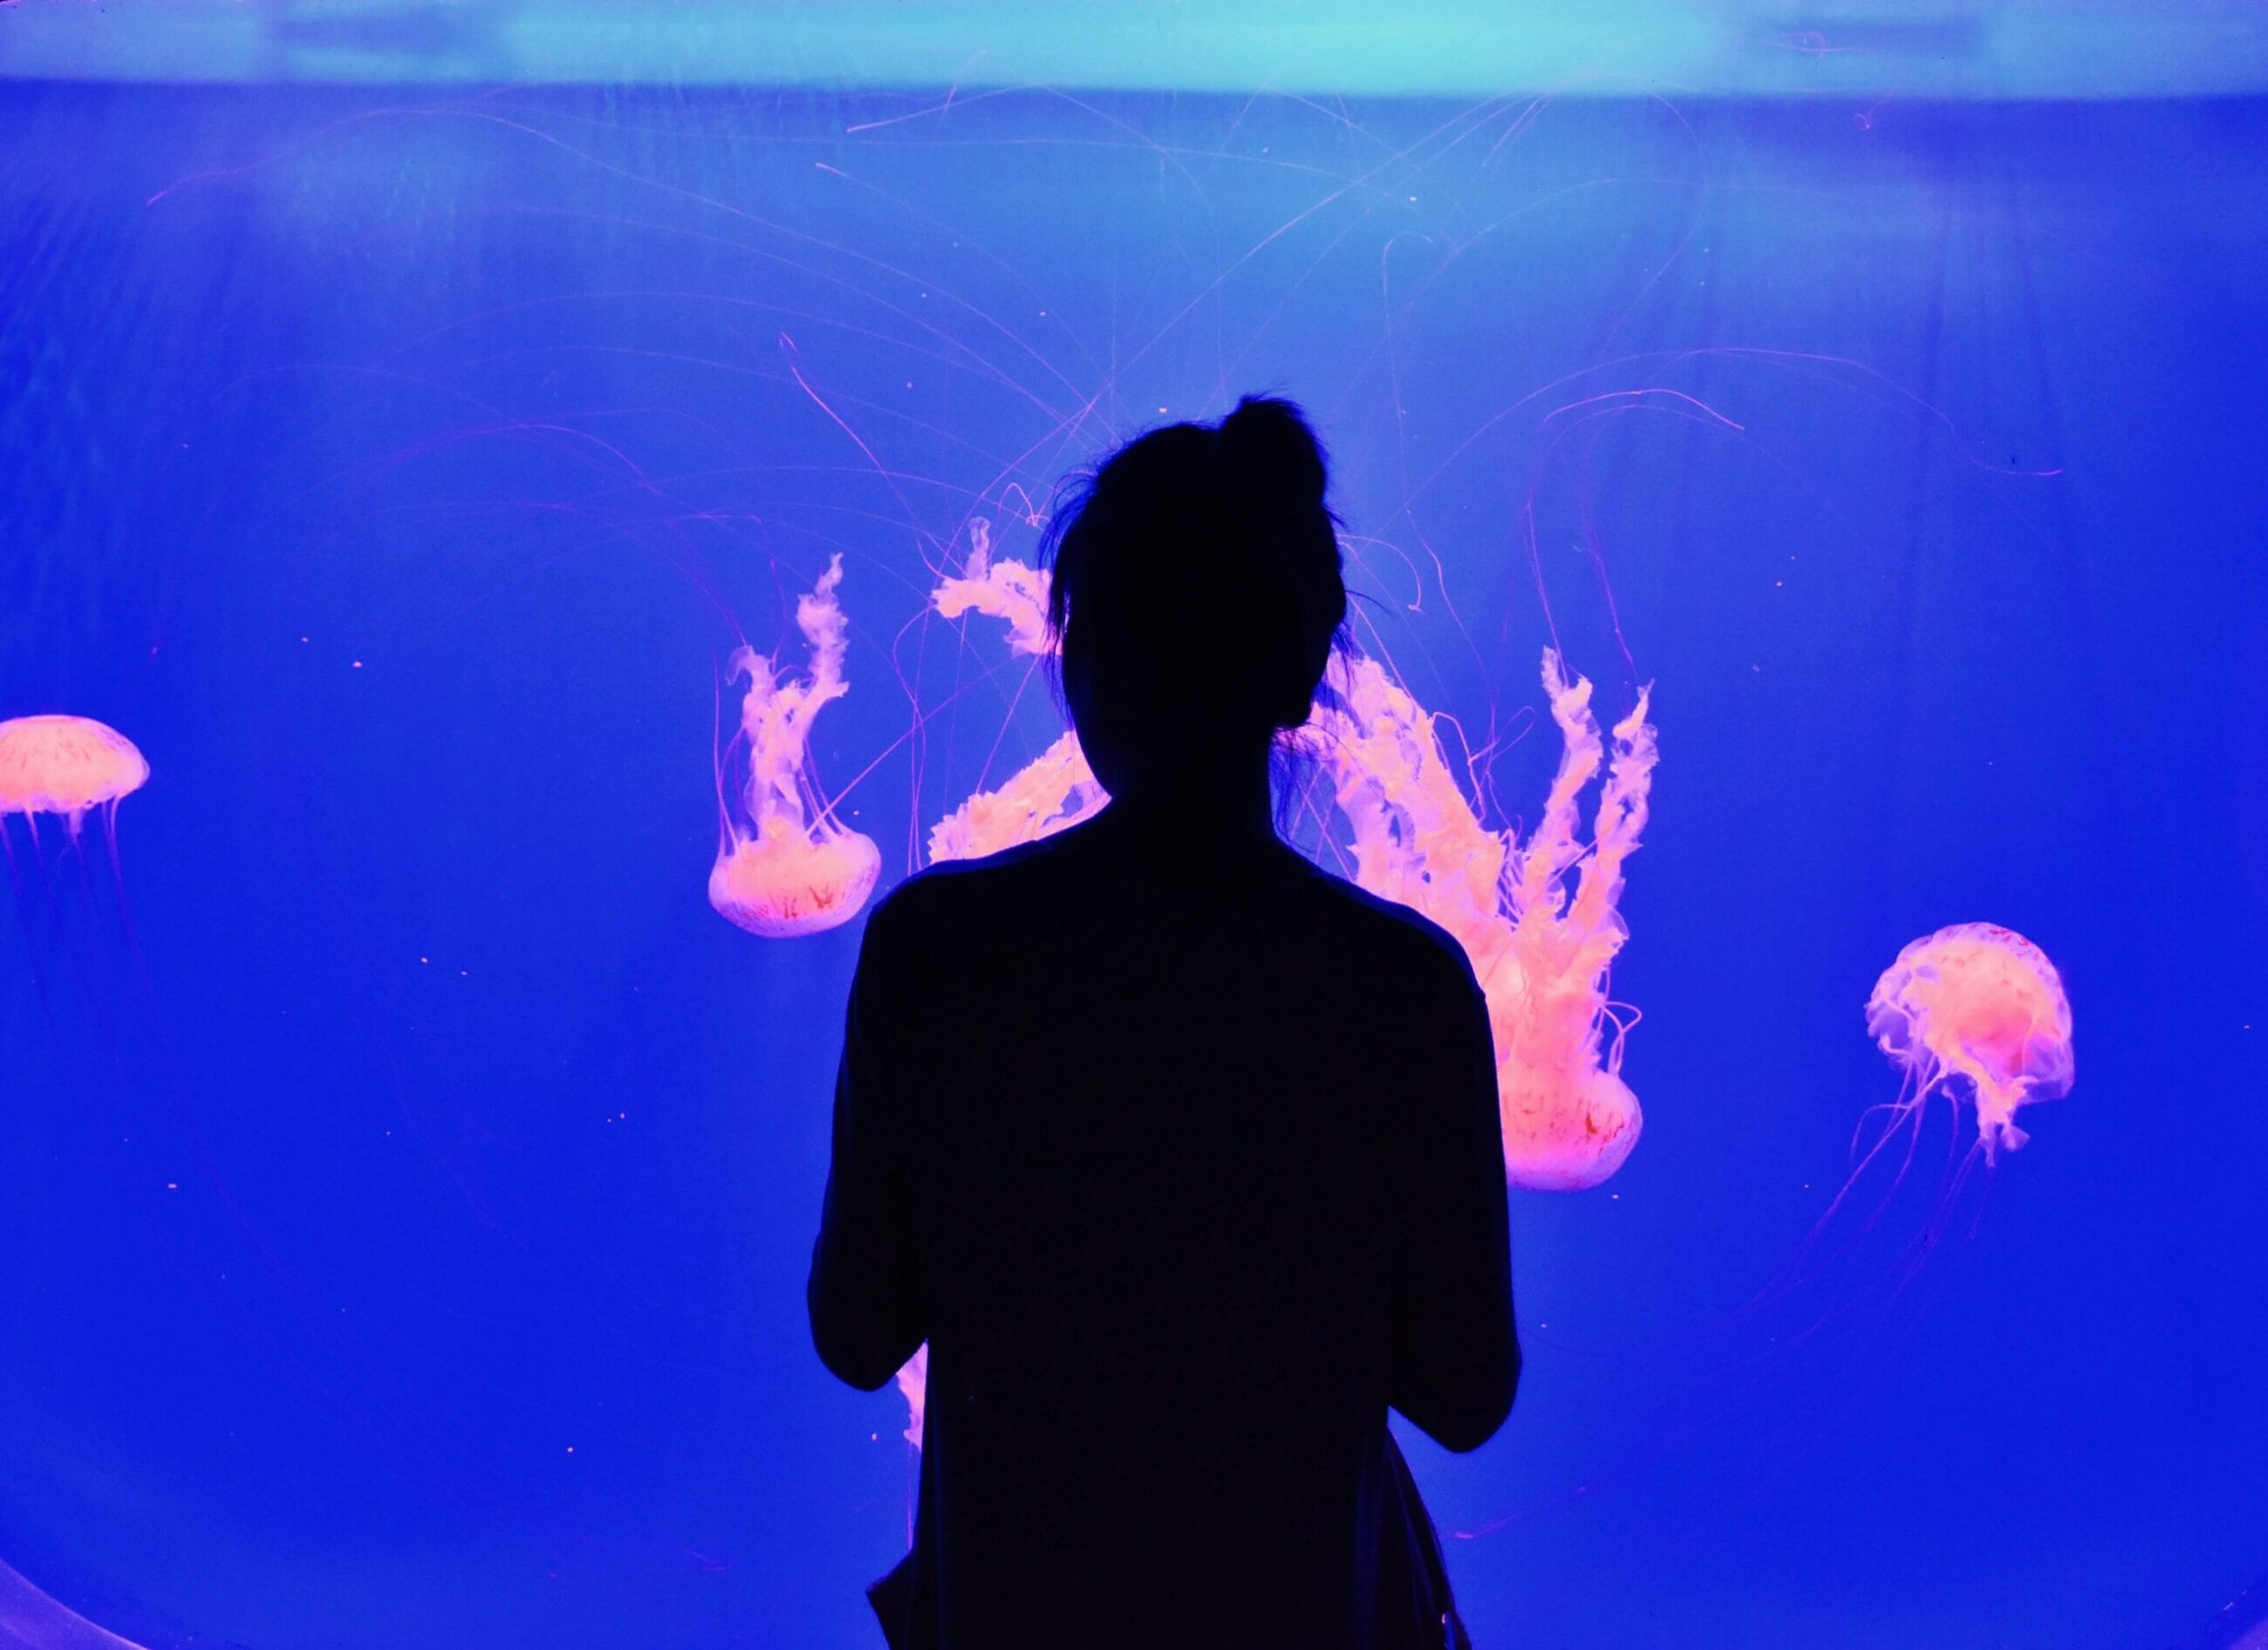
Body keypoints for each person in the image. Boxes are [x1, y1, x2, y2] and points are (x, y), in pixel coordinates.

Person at [808, 396, 1519, 1649]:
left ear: (1084, 658)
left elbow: (858, 1332)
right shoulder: (1402, 989)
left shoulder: (940, 953)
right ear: (1301, 668)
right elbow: (1466, 1394)